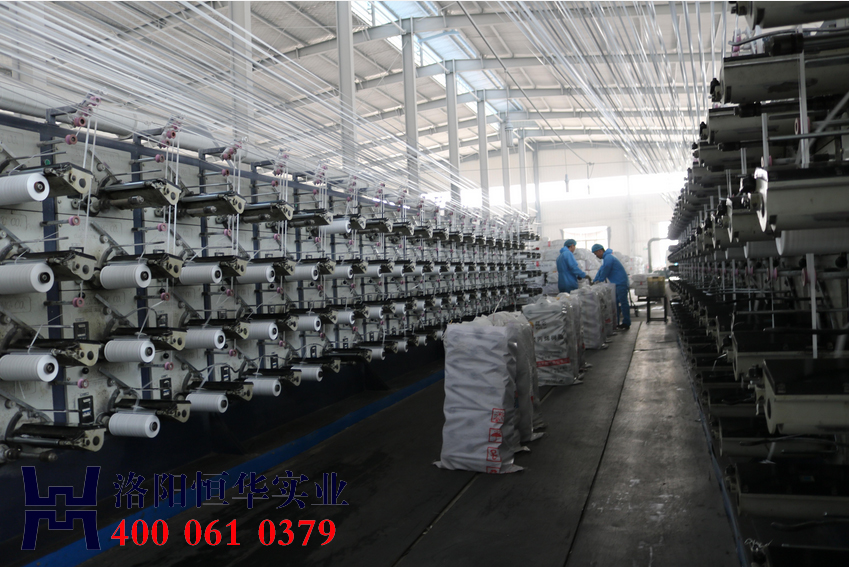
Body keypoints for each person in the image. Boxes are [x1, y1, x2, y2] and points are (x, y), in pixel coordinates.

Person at [592, 244, 631, 330]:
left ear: (600, 251)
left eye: (596, 253)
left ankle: (626, 323)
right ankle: (615, 323)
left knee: (623, 303)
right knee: (614, 303)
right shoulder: (606, 258)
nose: (596, 256)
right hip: (616, 284)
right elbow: (601, 269)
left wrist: (601, 279)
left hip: (621, 283)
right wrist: (595, 280)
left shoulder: (608, 257)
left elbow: (606, 268)